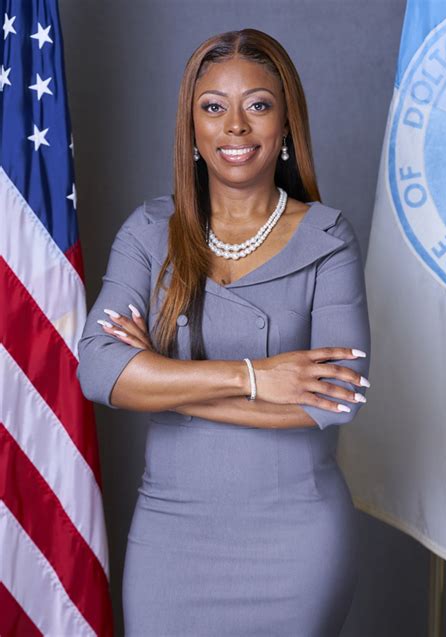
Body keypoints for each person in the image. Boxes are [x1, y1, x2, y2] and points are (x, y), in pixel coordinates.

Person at [77, 27, 371, 637]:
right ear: (191, 129)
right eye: (213, 107)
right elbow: (99, 370)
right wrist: (257, 377)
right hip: (170, 536)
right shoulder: (148, 231)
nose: (235, 126)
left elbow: (336, 399)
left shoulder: (327, 236)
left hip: (296, 539)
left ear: (286, 125)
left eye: (258, 105)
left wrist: (161, 383)